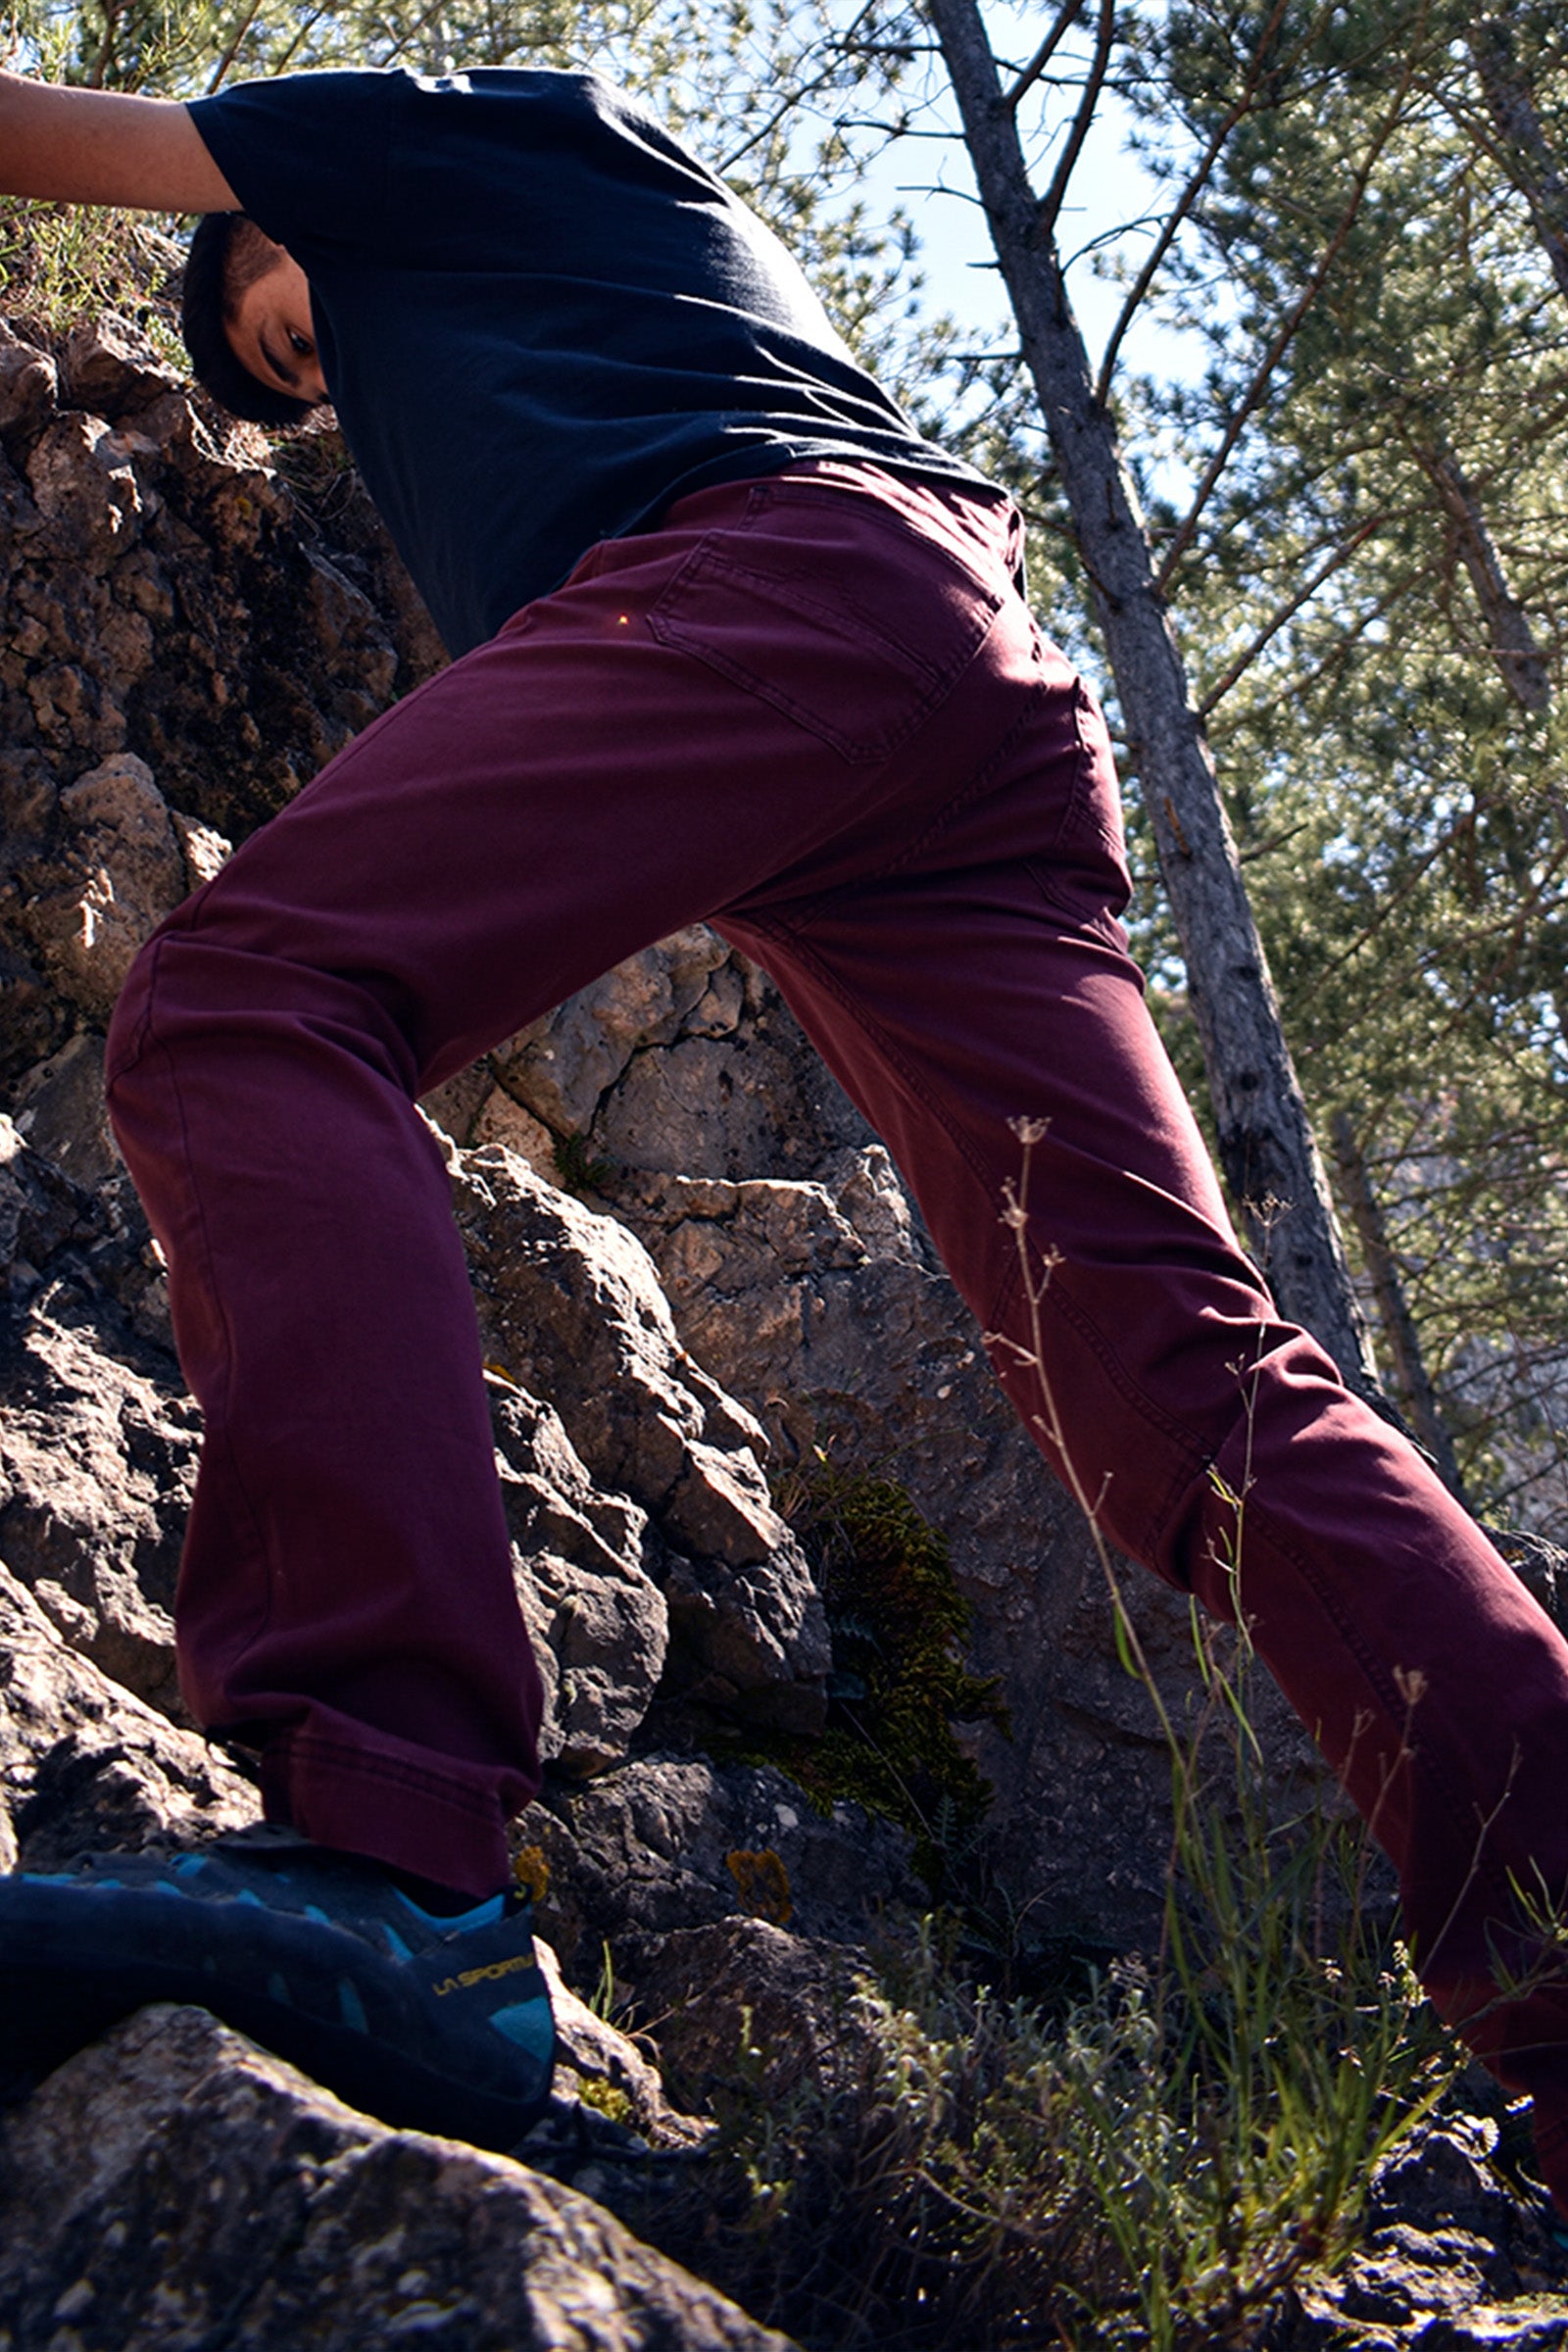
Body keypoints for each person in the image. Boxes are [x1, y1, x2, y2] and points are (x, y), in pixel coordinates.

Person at [1, 60, 1567, 2201]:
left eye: (288, 311)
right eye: (299, 375)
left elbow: (47, 130)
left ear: (298, 207)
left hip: (789, 583)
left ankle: (391, 1860)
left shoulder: (445, 135)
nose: (325, 360)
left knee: (245, 996)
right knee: (1161, 1382)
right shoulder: (584, 304)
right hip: (941, 698)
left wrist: (268, 209)